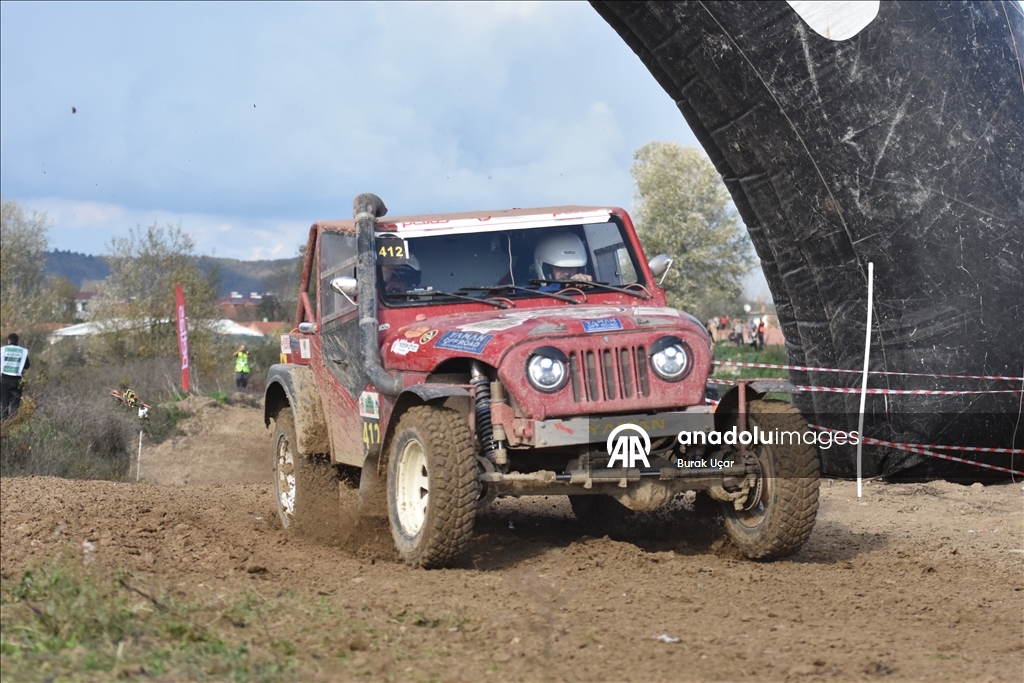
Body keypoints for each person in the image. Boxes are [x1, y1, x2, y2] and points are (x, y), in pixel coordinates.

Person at [1, 333, 30, 421]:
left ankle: (4, 424)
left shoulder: (2, 350)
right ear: (17, 341)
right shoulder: (23, 351)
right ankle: (13, 424)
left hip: (4, 380)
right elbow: (27, 366)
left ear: (8, 341)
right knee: (15, 405)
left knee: (4, 404)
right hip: (17, 381)